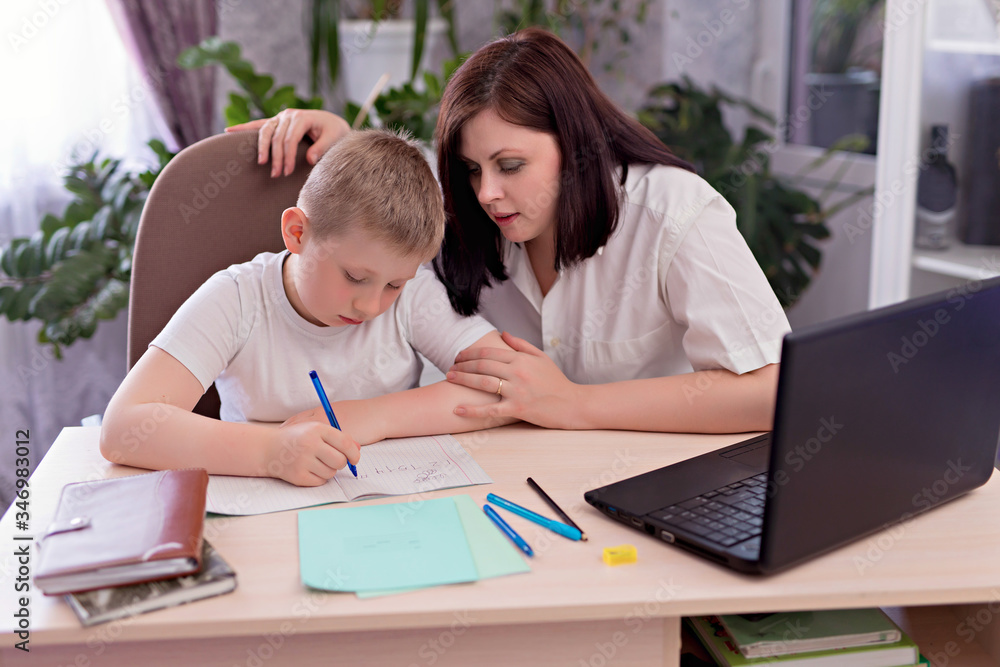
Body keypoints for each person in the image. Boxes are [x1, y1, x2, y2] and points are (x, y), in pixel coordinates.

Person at [229, 28, 791, 435]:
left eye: (511, 166)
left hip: (640, 480)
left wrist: (574, 405)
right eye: (472, 169)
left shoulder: (673, 212)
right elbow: (384, 202)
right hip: (505, 476)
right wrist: (345, 138)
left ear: (575, 143)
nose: (486, 193)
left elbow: (772, 392)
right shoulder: (463, 204)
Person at [101, 129, 513, 487]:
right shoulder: (237, 298)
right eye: (354, 277)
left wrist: (372, 417)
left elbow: (507, 385)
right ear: (297, 232)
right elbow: (123, 428)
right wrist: (270, 452)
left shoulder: (413, 293)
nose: (371, 305)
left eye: (393, 284)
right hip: (262, 511)